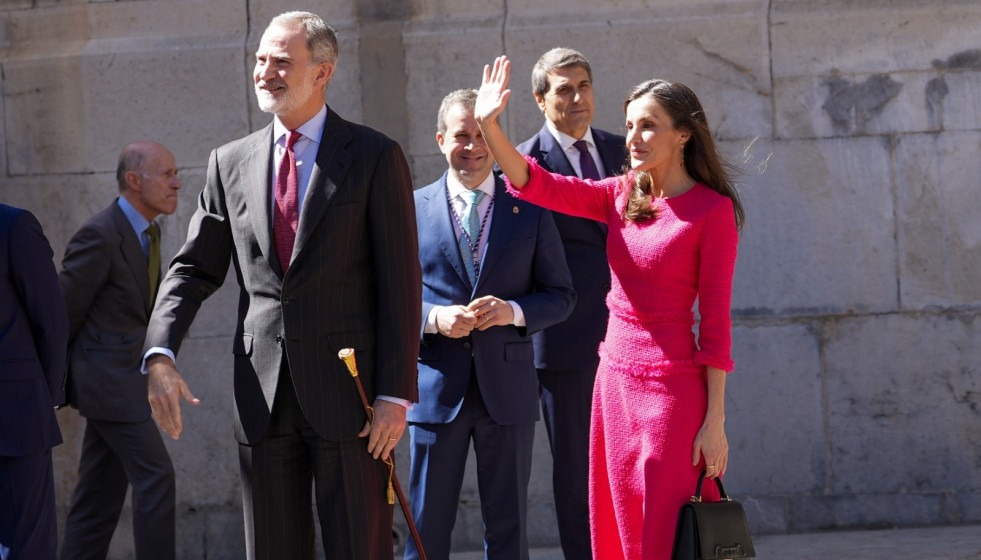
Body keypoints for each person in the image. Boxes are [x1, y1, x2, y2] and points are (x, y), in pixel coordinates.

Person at [142, 11, 421, 560]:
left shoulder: (373, 156)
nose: (265, 72)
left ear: (323, 72)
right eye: (260, 59)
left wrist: (394, 394)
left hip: (353, 398)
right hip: (262, 396)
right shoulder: (230, 162)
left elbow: (400, 283)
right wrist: (159, 353)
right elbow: (193, 269)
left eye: (282, 62)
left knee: (358, 548)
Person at [474, 56, 744, 560]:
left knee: (663, 528)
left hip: (673, 390)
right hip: (614, 382)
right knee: (616, 525)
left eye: (648, 126)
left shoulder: (713, 211)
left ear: (684, 134)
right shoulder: (622, 195)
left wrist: (715, 421)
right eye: (629, 126)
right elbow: (538, 184)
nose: (634, 137)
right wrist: (490, 125)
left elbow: (717, 327)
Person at [405, 89, 575, 560]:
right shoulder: (409, 209)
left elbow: (562, 296)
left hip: (509, 392)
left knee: (508, 531)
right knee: (424, 529)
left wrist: (514, 312)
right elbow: (385, 300)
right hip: (436, 393)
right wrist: (435, 319)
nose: (474, 146)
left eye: (482, 135)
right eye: (462, 135)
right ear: (441, 140)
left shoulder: (530, 205)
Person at [516, 47, 626, 560]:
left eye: (583, 85)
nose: (578, 97)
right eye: (564, 89)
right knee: (579, 472)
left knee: (632, 462)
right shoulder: (522, 166)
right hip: (565, 347)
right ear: (541, 99)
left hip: (636, 341)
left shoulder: (626, 150)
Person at [58, 142, 181, 560]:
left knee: (98, 497)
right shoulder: (100, 234)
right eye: (166, 174)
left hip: (126, 383)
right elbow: (63, 313)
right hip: (107, 385)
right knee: (156, 477)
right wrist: (55, 384)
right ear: (134, 181)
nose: (176, 183)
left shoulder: (149, 230)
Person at [0, 204, 69, 560]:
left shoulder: (14, 226)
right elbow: (52, 321)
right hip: (18, 414)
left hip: (15, 423)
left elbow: (51, 319)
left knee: (26, 547)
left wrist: (45, 395)